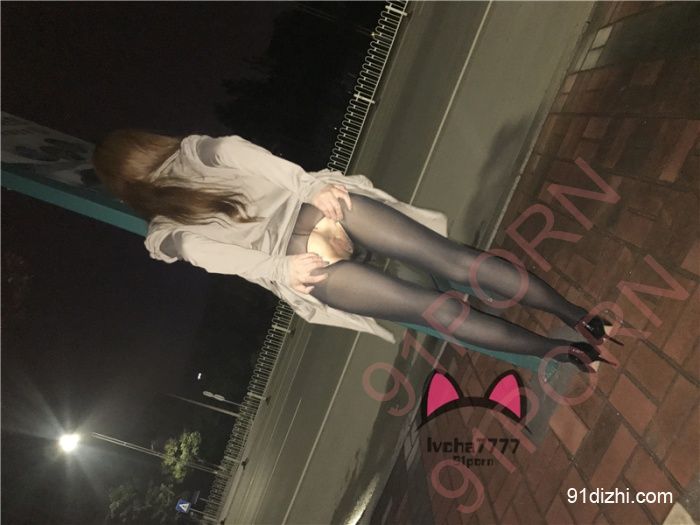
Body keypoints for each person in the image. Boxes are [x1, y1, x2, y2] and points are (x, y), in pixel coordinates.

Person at [92, 130, 620, 373]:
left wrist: (278, 266)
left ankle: (566, 355)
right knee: (458, 263)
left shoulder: (161, 232)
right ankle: (581, 317)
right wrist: (308, 187)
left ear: (124, 190)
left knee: (438, 312)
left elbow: (204, 252)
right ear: (147, 142)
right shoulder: (194, 150)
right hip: (318, 207)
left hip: (302, 265)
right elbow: (237, 151)